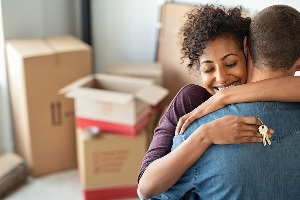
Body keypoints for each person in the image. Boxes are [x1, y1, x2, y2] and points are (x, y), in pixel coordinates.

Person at [137, 4, 300, 199]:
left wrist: (225, 97)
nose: (222, 77)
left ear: (246, 49)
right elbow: (146, 187)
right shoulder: (189, 105)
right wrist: (205, 135)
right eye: (208, 69)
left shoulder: (202, 123)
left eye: (230, 63)